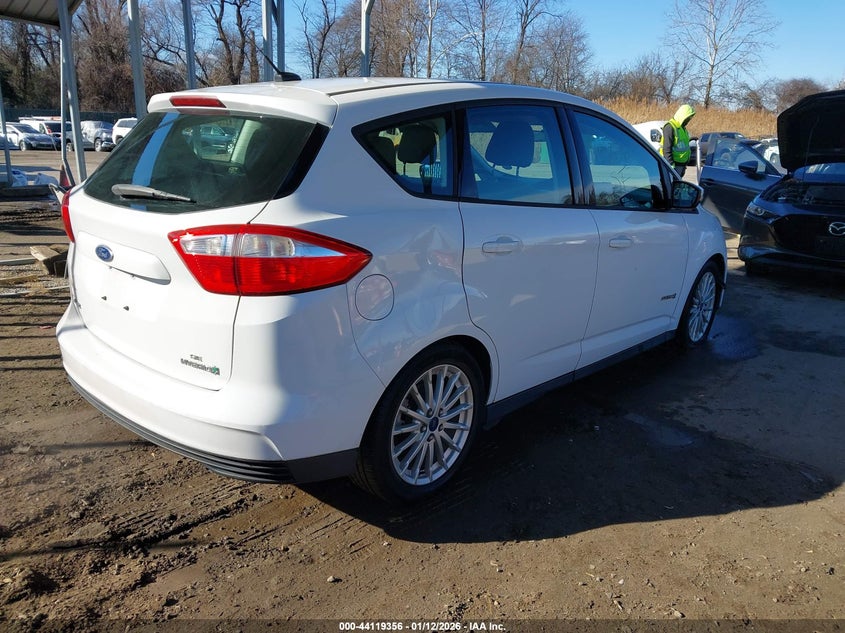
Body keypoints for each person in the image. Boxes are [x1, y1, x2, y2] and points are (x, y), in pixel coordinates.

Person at [661, 104, 695, 177]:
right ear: (683, 116)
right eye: (688, 118)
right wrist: (670, 166)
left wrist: (685, 165)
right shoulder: (670, 127)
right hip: (674, 166)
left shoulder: (683, 128)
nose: (688, 120)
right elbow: (667, 149)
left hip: (681, 165)